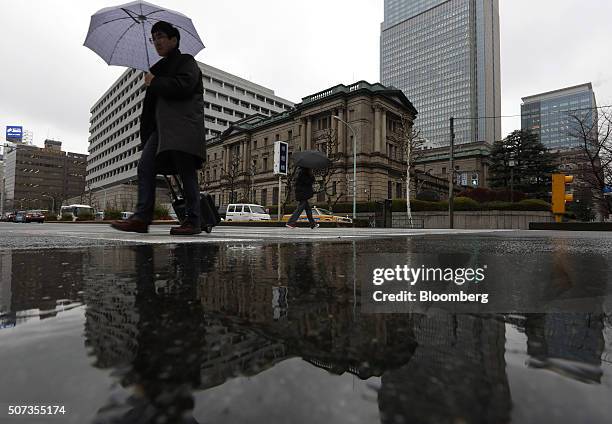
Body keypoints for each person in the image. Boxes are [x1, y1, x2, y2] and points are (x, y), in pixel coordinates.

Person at [111, 21, 206, 236]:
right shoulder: (156, 69)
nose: (157, 42)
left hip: (182, 127)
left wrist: (156, 82)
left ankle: (193, 220)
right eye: (153, 38)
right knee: (145, 167)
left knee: (186, 171)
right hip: (160, 130)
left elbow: (184, 87)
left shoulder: (186, 61)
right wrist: (146, 135)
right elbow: (150, 109)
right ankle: (142, 218)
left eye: (161, 36)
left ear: (174, 39)